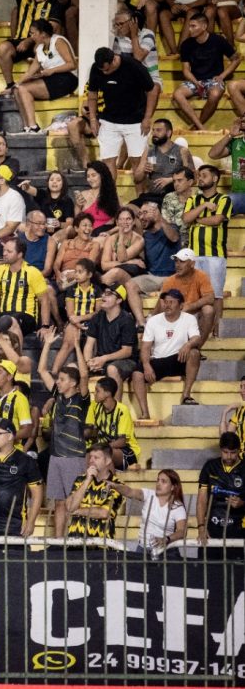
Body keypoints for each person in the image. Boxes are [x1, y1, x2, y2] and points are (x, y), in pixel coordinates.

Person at [130, 288, 202, 418]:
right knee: (136, 374)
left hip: (179, 358)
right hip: (158, 360)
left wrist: (188, 344)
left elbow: (197, 338)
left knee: (195, 353)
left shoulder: (189, 319)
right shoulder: (153, 320)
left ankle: (186, 395)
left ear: (181, 305)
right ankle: (145, 413)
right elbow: (145, 347)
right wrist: (146, 365)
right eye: (165, 302)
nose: (167, 305)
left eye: (171, 302)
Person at [87, 47, 157, 172]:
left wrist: (147, 117)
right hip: (109, 120)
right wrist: (93, 118)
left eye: (107, 69)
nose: (104, 73)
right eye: (102, 70)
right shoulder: (96, 69)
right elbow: (92, 94)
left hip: (136, 121)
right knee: (107, 163)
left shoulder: (134, 66)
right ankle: (110, 192)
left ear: (114, 60)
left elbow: (152, 90)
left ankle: (141, 192)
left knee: (138, 163)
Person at [183, 164, 232, 332]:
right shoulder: (193, 199)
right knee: (194, 294)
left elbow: (216, 220)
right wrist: (204, 207)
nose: (200, 178)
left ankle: (216, 330)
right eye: (199, 175)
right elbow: (186, 218)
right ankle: (195, 330)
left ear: (215, 178)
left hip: (215, 255)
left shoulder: (224, 199)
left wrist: (197, 220)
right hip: (194, 255)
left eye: (204, 175)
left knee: (216, 294)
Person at [173, 13, 239, 130]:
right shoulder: (186, 45)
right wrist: (195, 82)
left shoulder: (218, 40)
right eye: (189, 26)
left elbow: (236, 59)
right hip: (195, 79)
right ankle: (200, 126)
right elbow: (186, 70)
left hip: (213, 80)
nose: (189, 29)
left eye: (193, 26)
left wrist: (222, 76)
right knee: (178, 94)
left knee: (215, 94)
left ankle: (195, 127)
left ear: (204, 26)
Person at [107, 469, 187, 556]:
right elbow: (129, 491)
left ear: (172, 487)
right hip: (143, 549)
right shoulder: (149, 494)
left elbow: (182, 531)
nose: (158, 484)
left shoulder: (178, 507)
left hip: (166, 551)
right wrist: (114, 486)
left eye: (163, 481)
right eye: (158, 480)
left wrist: (166, 539)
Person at [64, 443, 124, 540]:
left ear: (107, 461)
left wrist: (78, 511)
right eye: (90, 457)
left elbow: (104, 512)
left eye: (96, 458)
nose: (91, 461)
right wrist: (87, 481)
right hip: (75, 542)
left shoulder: (116, 485)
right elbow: (70, 507)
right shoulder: (81, 480)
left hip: (101, 545)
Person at [196, 432, 244, 545]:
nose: (229, 456)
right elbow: (202, 500)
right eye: (225, 452)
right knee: (210, 563)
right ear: (220, 450)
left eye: (233, 453)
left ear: (239, 450)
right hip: (212, 529)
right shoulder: (210, 467)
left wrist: (242, 503)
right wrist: (201, 527)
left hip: (239, 530)